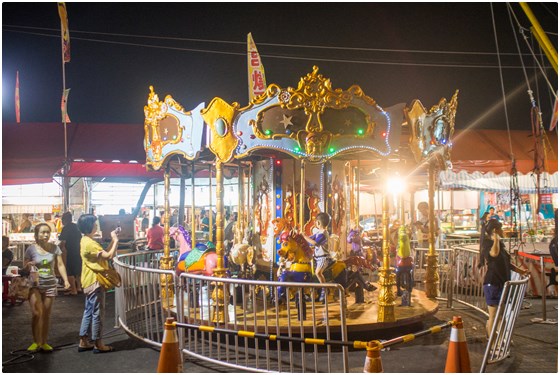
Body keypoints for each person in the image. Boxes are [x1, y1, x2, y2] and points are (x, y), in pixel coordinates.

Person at [23, 223, 71, 352]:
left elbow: (60, 265)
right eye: (42, 232)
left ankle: (43, 342)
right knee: (36, 313)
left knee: (46, 315)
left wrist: (66, 280)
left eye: (47, 232)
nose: (45, 235)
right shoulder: (31, 249)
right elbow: (24, 266)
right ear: (36, 234)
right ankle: (35, 341)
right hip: (35, 285)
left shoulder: (55, 248)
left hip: (50, 284)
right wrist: (29, 265)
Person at [478, 219, 528, 338]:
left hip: (503, 283)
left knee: (501, 315)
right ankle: (492, 343)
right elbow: (494, 254)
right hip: (492, 284)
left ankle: (501, 342)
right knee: (494, 316)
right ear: (495, 230)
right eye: (500, 229)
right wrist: (496, 239)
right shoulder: (487, 244)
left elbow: (506, 263)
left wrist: (521, 271)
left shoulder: (500, 245)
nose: (503, 231)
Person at [77, 214, 119, 353]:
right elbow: (109, 255)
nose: (96, 226)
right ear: (89, 226)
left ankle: (83, 340)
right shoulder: (90, 243)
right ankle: (98, 343)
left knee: (89, 311)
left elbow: (104, 253)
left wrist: (113, 240)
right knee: (97, 312)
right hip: (96, 280)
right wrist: (116, 239)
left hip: (88, 280)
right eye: (95, 224)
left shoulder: (85, 240)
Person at [302, 212, 332, 302]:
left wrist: (304, 236)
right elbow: (310, 239)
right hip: (317, 257)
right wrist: (302, 238)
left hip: (323, 257)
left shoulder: (323, 234)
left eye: (316, 222)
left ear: (318, 223)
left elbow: (315, 243)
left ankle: (324, 289)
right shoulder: (319, 233)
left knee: (318, 272)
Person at [59, 212, 83, 295]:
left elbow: (63, 242)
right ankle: (79, 287)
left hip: (70, 251)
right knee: (78, 270)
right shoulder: (76, 226)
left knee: (70, 271)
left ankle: (73, 290)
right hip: (79, 250)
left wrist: (58, 249)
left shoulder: (66, 228)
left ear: (65, 219)